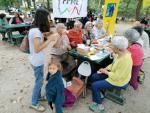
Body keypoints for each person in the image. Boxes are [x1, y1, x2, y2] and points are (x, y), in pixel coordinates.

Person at [89, 36, 132, 112]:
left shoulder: (125, 60)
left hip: (119, 81)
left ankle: (99, 106)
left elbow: (117, 77)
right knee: (94, 76)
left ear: (118, 48)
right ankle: (99, 94)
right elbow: (114, 64)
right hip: (115, 74)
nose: (111, 48)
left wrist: (106, 72)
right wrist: (106, 68)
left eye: (113, 47)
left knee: (94, 85)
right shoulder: (121, 53)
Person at [28, 8, 55, 112]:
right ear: (43, 18)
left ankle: (38, 97)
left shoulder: (35, 29)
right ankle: (34, 103)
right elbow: (37, 48)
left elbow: (38, 39)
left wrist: (46, 35)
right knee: (39, 82)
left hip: (36, 60)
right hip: (36, 61)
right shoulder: (35, 32)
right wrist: (50, 40)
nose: (49, 19)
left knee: (39, 79)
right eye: (48, 17)